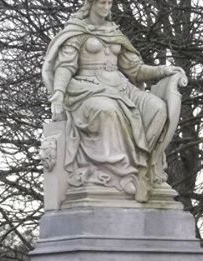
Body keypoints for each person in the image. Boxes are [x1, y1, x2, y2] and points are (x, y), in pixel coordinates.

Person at [41, 0, 187, 202]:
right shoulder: (76, 31)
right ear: (90, 4)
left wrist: (163, 70)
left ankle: (144, 170)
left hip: (121, 87)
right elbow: (65, 67)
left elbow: (135, 69)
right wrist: (58, 92)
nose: (106, 6)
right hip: (88, 89)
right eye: (102, 2)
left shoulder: (114, 32)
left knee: (158, 109)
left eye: (109, 2)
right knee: (108, 110)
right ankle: (119, 175)